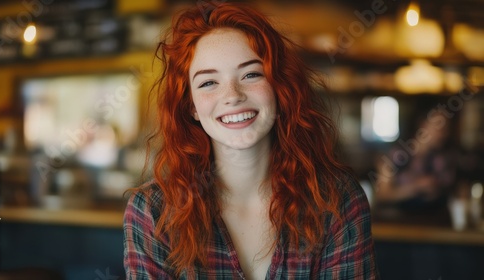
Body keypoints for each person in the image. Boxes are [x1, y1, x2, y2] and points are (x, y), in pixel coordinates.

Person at [124, 2, 379, 279]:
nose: (232, 95)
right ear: (192, 107)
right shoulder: (154, 212)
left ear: (280, 88)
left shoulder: (337, 200)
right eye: (208, 82)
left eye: (251, 74)